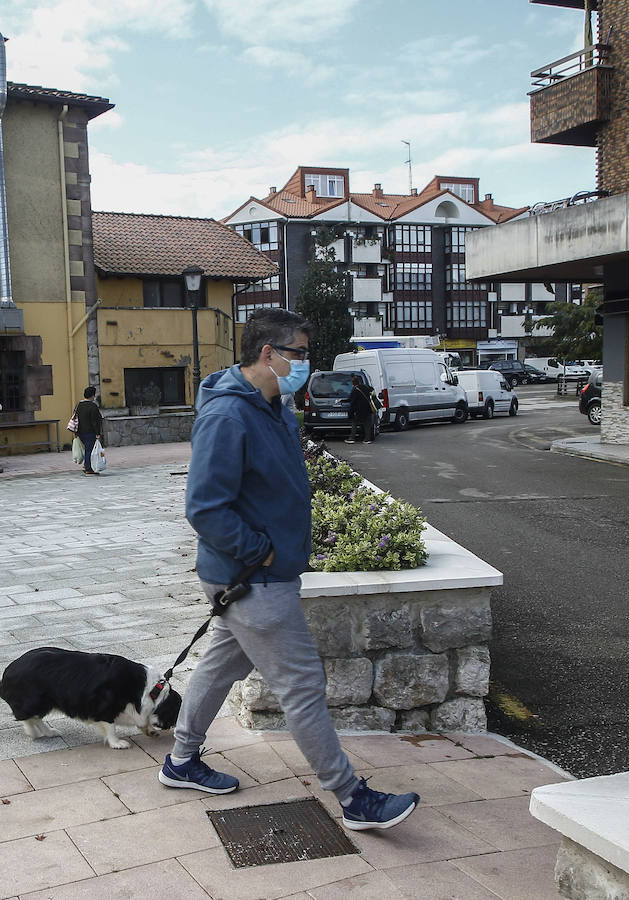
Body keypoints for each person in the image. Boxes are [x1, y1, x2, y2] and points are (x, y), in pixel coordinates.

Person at [158, 308, 420, 832]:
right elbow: (205, 508)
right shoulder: (228, 416)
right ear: (268, 354)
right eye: (298, 354)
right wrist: (263, 551)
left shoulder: (275, 405)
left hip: (255, 574)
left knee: (222, 663)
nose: (306, 363)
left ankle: (181, 760)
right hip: (250, 576)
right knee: (302, 684)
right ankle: (352, 799)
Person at [72, 386, 104, 475]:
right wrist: (98, 433)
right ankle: (88, 468)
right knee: (89, 450)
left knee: (86, 449)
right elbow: (95, 421)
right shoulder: (93, 406)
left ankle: (87, 465)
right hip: (90, 432)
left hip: (80, 432)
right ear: (92, 395)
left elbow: (75, 418)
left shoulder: (79, 405)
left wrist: (76, 432)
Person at [345, 374, 376, 444]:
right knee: (367, 424)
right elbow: (372, 390)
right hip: (368, 409)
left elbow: (352, 402)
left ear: (353, 383)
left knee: (354, 423)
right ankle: (367, 439)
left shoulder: (355, 390)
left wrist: (350, 413)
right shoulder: (365, 387)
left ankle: (352, 438)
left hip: (359, 410)